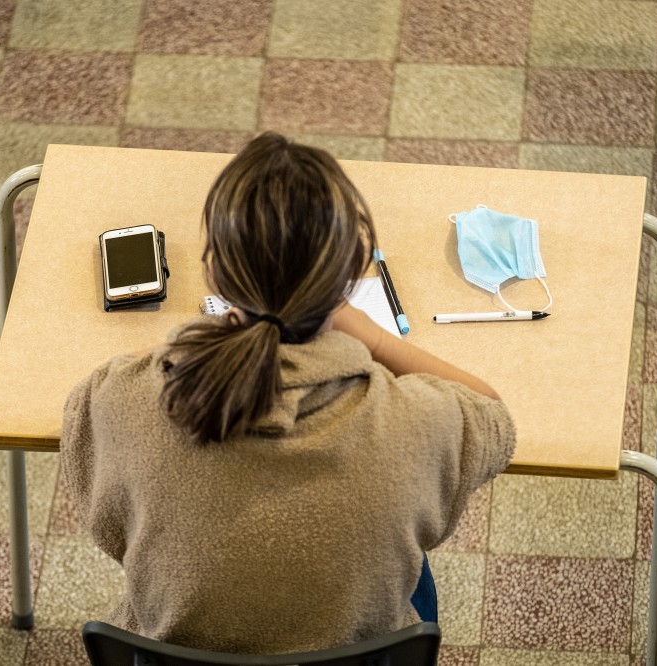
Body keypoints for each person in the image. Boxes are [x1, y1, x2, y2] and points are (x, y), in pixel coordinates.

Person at [61, 132, 515, 654]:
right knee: (410, 560)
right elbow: (491, 412)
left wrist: (195, 342)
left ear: (214, 273)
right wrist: (370, 333)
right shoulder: (417, 422)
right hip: (360, 654)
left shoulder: (123, 399)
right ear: (349, 274)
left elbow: (112, 529)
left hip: (177, 655)